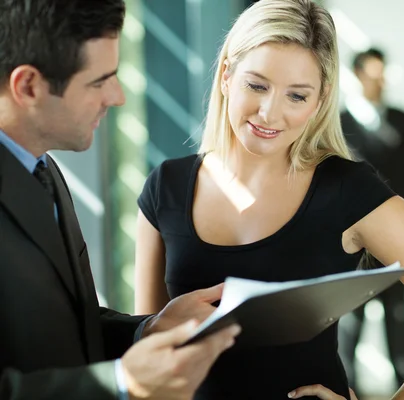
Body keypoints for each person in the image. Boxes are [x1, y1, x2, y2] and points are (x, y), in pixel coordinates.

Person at [135, 1, 404, 399]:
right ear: (226, 76)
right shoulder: (166, 186)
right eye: (256, 85)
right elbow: (146, 347)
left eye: (296, 96)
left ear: (320, 100)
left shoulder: (346, 188)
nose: (270, 112)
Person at [0, 1, 241, 399]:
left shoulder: (44, 169)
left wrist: (147, 328)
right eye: (100, 81)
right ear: (28, 86)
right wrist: (120, 384)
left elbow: (66, 325)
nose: (118, 97)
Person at [338, 47, 404, 392]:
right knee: (349, 326)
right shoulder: (339, 122)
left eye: (383, 73)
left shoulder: (401, 119)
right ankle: (346, 391)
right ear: (358, 76)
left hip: (396, 239)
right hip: (353, 242)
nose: (380, 81)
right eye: (373, 74)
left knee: (398, 324)